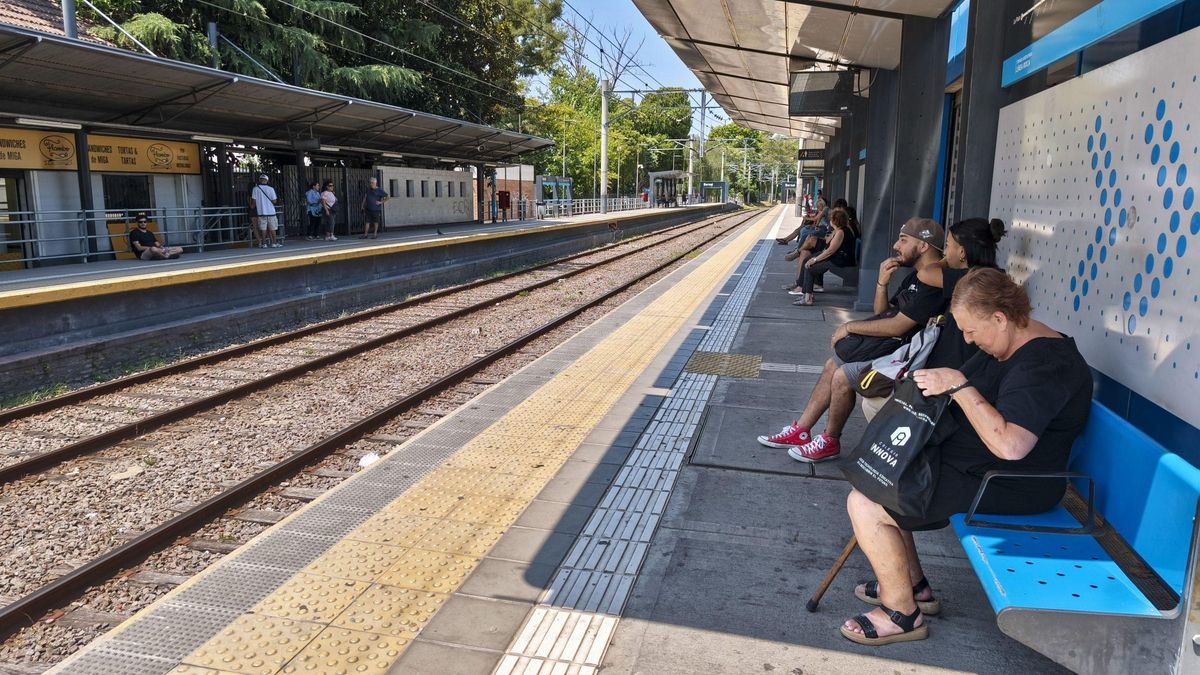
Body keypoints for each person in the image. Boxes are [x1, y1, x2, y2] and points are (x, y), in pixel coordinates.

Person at [840, 268, 1092, 646]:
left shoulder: (1043, 366)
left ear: (1000, 318)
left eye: (971, 331)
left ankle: (901, 613)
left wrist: (958, 385)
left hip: (1016, 483)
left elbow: (1011, 446)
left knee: (865, 504)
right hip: (981, 468)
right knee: (889, 475)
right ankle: (913, 586)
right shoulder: (1006, 345)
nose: (969, 341)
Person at [757, 217, 946, 462]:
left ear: (923, 246)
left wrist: (849, 326)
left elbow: (897, 326)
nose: (896, 246)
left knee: (842, 375)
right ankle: (801, 430)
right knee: (832, 364)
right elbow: (884, 313)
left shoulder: (931, 283)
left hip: (906, 356)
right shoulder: (915, 277)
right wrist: (881, 283)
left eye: (903, 240)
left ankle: (829, 440)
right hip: (894, 347)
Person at [860, 217, 1008, 422]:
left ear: (962, 252)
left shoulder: (973, 278)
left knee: (873, 403)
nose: (945, 252)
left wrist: (945, 260)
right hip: (952, 371)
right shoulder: (991, 275)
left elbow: (926, 273)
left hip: (953, 378)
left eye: (948, 246)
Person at [790, 207, 857, 305]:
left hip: (839, 261)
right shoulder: (839, 230)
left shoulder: (841, 232)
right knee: (807, 259)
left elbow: (830, 251)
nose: (829, 220)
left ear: (834, 221)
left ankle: (808, 298)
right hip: (837, 257)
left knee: (810, 267)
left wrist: (815, 259)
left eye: (831, 219)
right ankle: (807, 294)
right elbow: (827, 242)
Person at [250, 174, 281, 248]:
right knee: (273, 228)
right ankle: (274, 243)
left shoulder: (255, 189)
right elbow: (274, 201)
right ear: (267, 180)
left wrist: (252, 207)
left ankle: (264, 243)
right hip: (271, 212)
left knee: (263, 229)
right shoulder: (271, 189)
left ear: (260, 180)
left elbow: (254, 201)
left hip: (261, 212)